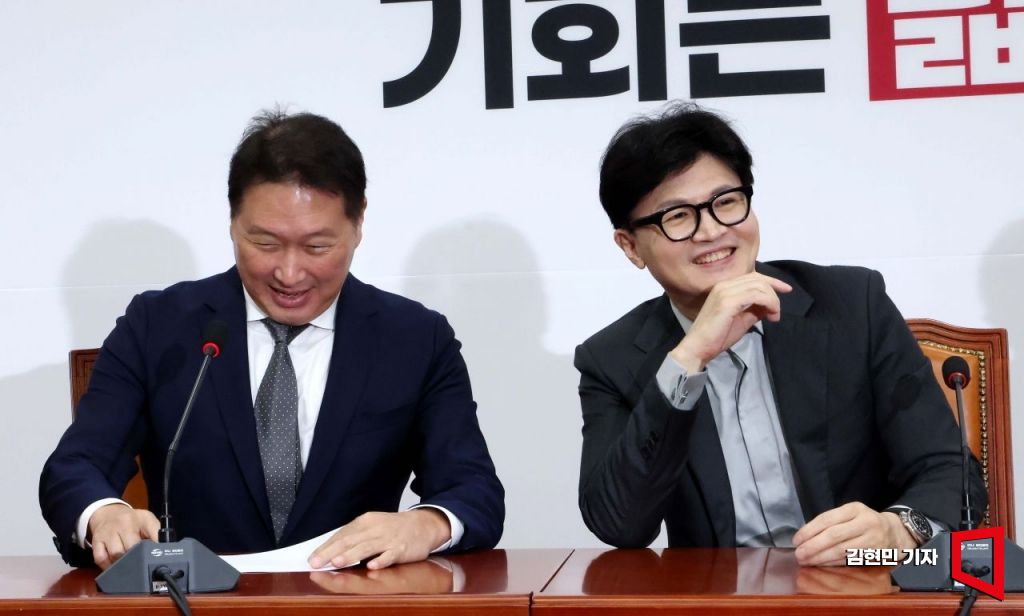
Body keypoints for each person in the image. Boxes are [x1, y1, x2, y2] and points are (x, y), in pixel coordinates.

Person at [40, 109, 504, 570]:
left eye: (317, 247)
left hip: (353, 598)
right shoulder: (158, 327)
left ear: (359, 222)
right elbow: (75, 467)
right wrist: (103, 514)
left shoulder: (415, 339)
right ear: (232, 222)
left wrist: (425, 524)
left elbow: (474, 489)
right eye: (265, 243)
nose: (289, 273)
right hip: (195, 598)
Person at [576, 103, 986, 566]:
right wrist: (689, 358)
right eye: (677, 217)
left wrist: (898, 528)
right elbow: (618, 523)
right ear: (631, 246)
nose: (711, 231)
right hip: (719, 595)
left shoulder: (852, 306)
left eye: (726, 202)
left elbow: (951, 472)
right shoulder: (612, 360)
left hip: (860, 583)